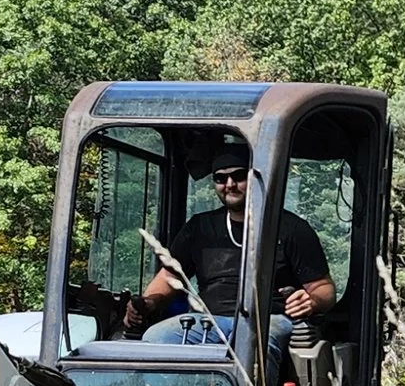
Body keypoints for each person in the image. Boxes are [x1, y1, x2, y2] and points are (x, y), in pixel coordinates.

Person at [139, 143, 334, 338]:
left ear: (256, 177)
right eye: (220, 178)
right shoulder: (199, 227)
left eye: (238, 176)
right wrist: (148, 303)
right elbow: (168, 277)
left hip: (269, 320)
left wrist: (312, 301)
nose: (229, 184)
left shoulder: (292, 228)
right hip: (208, 320)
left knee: (251, 342)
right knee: (156, 337)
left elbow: (323, 289)